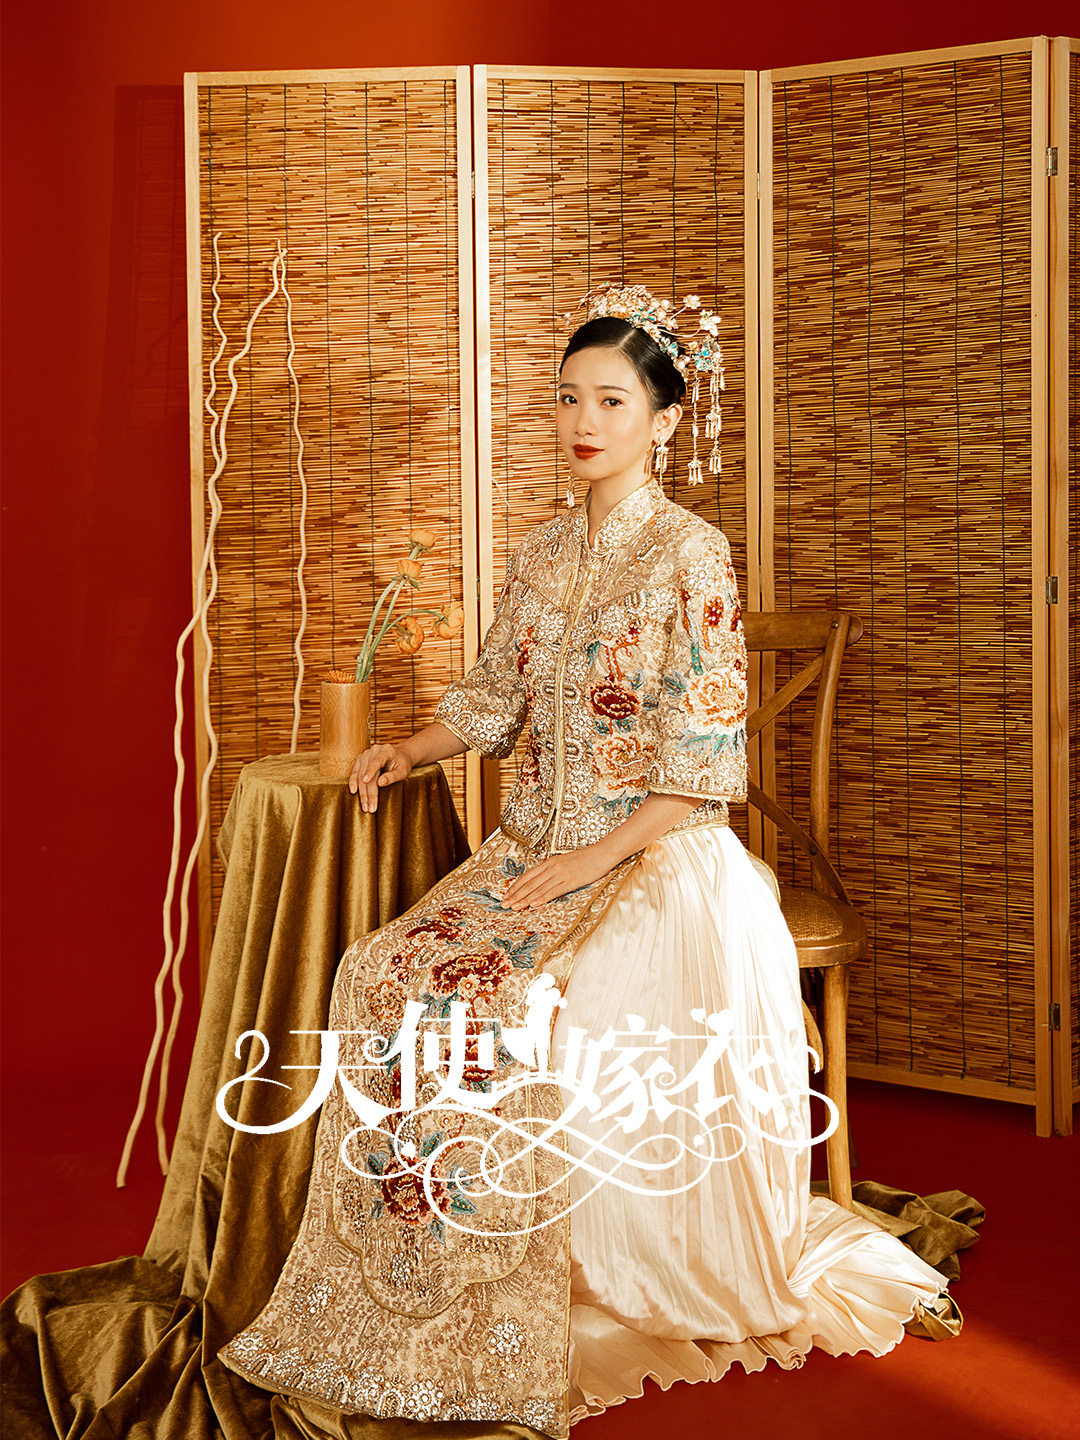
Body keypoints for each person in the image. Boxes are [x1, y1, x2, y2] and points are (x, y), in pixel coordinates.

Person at [217, 285, 953, 1437]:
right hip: (531, 848)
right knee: (381, 970)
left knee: (501, 1000)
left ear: (665, 420)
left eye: (612, 400)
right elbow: (491, 699)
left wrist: (592, 859)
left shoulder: (692, 556)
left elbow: (704, 761)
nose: (584, 421)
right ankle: (416, 1277)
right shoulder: (543, 550)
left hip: (654, 853)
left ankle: (534, 1277)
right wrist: (408, 749)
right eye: (569, 398)